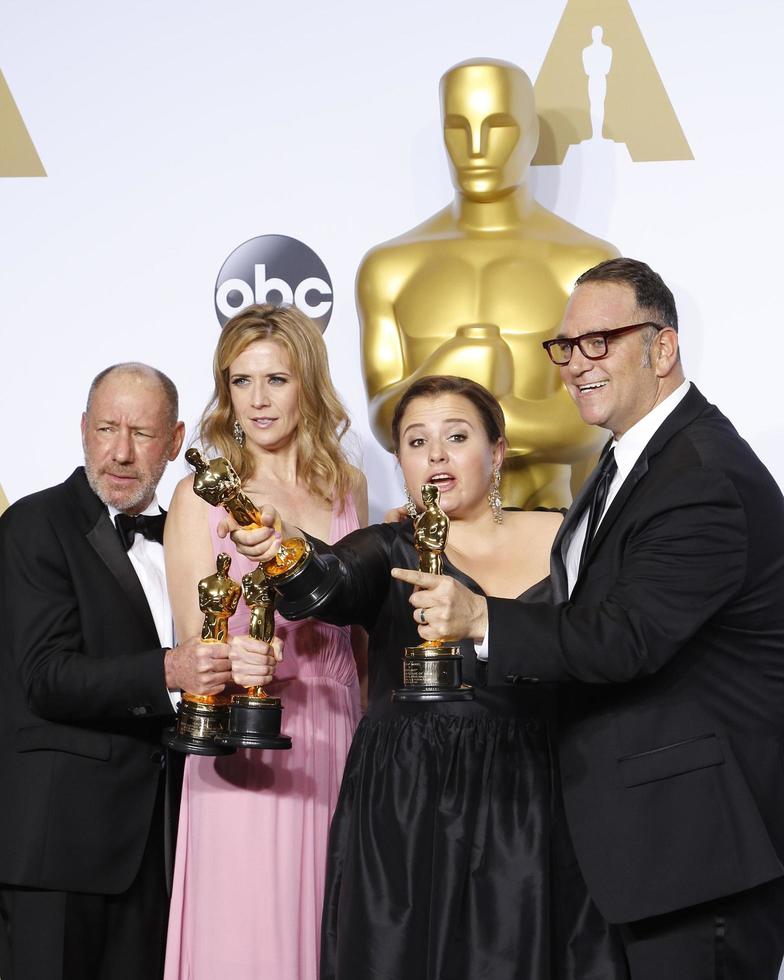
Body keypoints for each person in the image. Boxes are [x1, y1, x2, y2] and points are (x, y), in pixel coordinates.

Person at [395, 260, 784, 978]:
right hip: (639, 848)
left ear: (662, 349)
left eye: (600, 341)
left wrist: (484, 619)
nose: (577, 364)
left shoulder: (700, 477)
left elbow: (624, 636)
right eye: (567, 346)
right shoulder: (629, 460)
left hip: (698, 857)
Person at [228, 375, 628, 979]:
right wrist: (284, 550)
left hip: (540, 793)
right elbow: (330, 580)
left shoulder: (567, 538)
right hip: (411, 801)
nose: (435, 455)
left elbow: (612, 641)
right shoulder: (387, 548)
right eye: (416, 442)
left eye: (456, 436)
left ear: (497, 453)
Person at [0, 363, 276, 980]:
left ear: (176, 442)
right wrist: (170, 670)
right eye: (106, 428)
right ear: (82, 430)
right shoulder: (33, 526)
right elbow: (46, 677)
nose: (121, 452)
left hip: (159, 846)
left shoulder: (194, 536)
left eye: (143, 434)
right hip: (59, 852)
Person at [162, 303, 366, 980]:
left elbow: (358, 630)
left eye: (275, 379)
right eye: (241, 381)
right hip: (243, 741)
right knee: (243, 936)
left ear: (306, 382)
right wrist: (227, 660)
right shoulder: (201, 496)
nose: (257, 399)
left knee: (327, 930)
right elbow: (194, 640)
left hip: (334, 735)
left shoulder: (347, 488)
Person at [357, 58, 619, 508]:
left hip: (550, 529)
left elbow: (594, 417)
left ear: (532, 134)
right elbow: (384, 419)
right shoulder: (389, 267)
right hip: (436, 539)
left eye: (497, 127)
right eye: (458, 128)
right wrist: (451, 363)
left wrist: (465, 416)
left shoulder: (585, 262)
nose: (476, 148)